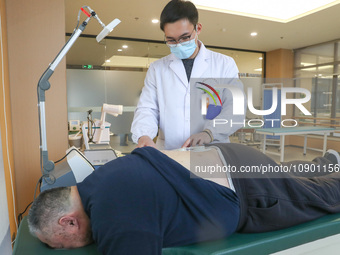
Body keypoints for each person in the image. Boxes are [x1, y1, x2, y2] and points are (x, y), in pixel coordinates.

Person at [28, 143, 340, 254]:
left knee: (320, 197)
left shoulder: (114, 218)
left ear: (67, 222)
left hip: (249, 189)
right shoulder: (100, 180)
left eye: (59, 244)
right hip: (226, 159)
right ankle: (329, 160)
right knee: (292, 176)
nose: (64, 249)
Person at [131, 0, 245, 150]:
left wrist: (209, 133)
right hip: (170, 150)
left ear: (198, 28)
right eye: (171, 40)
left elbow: (235, 108)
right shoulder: (157, 69)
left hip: (211, 148)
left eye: (185, 37)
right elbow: (147, 108)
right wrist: (144, 135)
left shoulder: (224, 64)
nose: (178, 44)